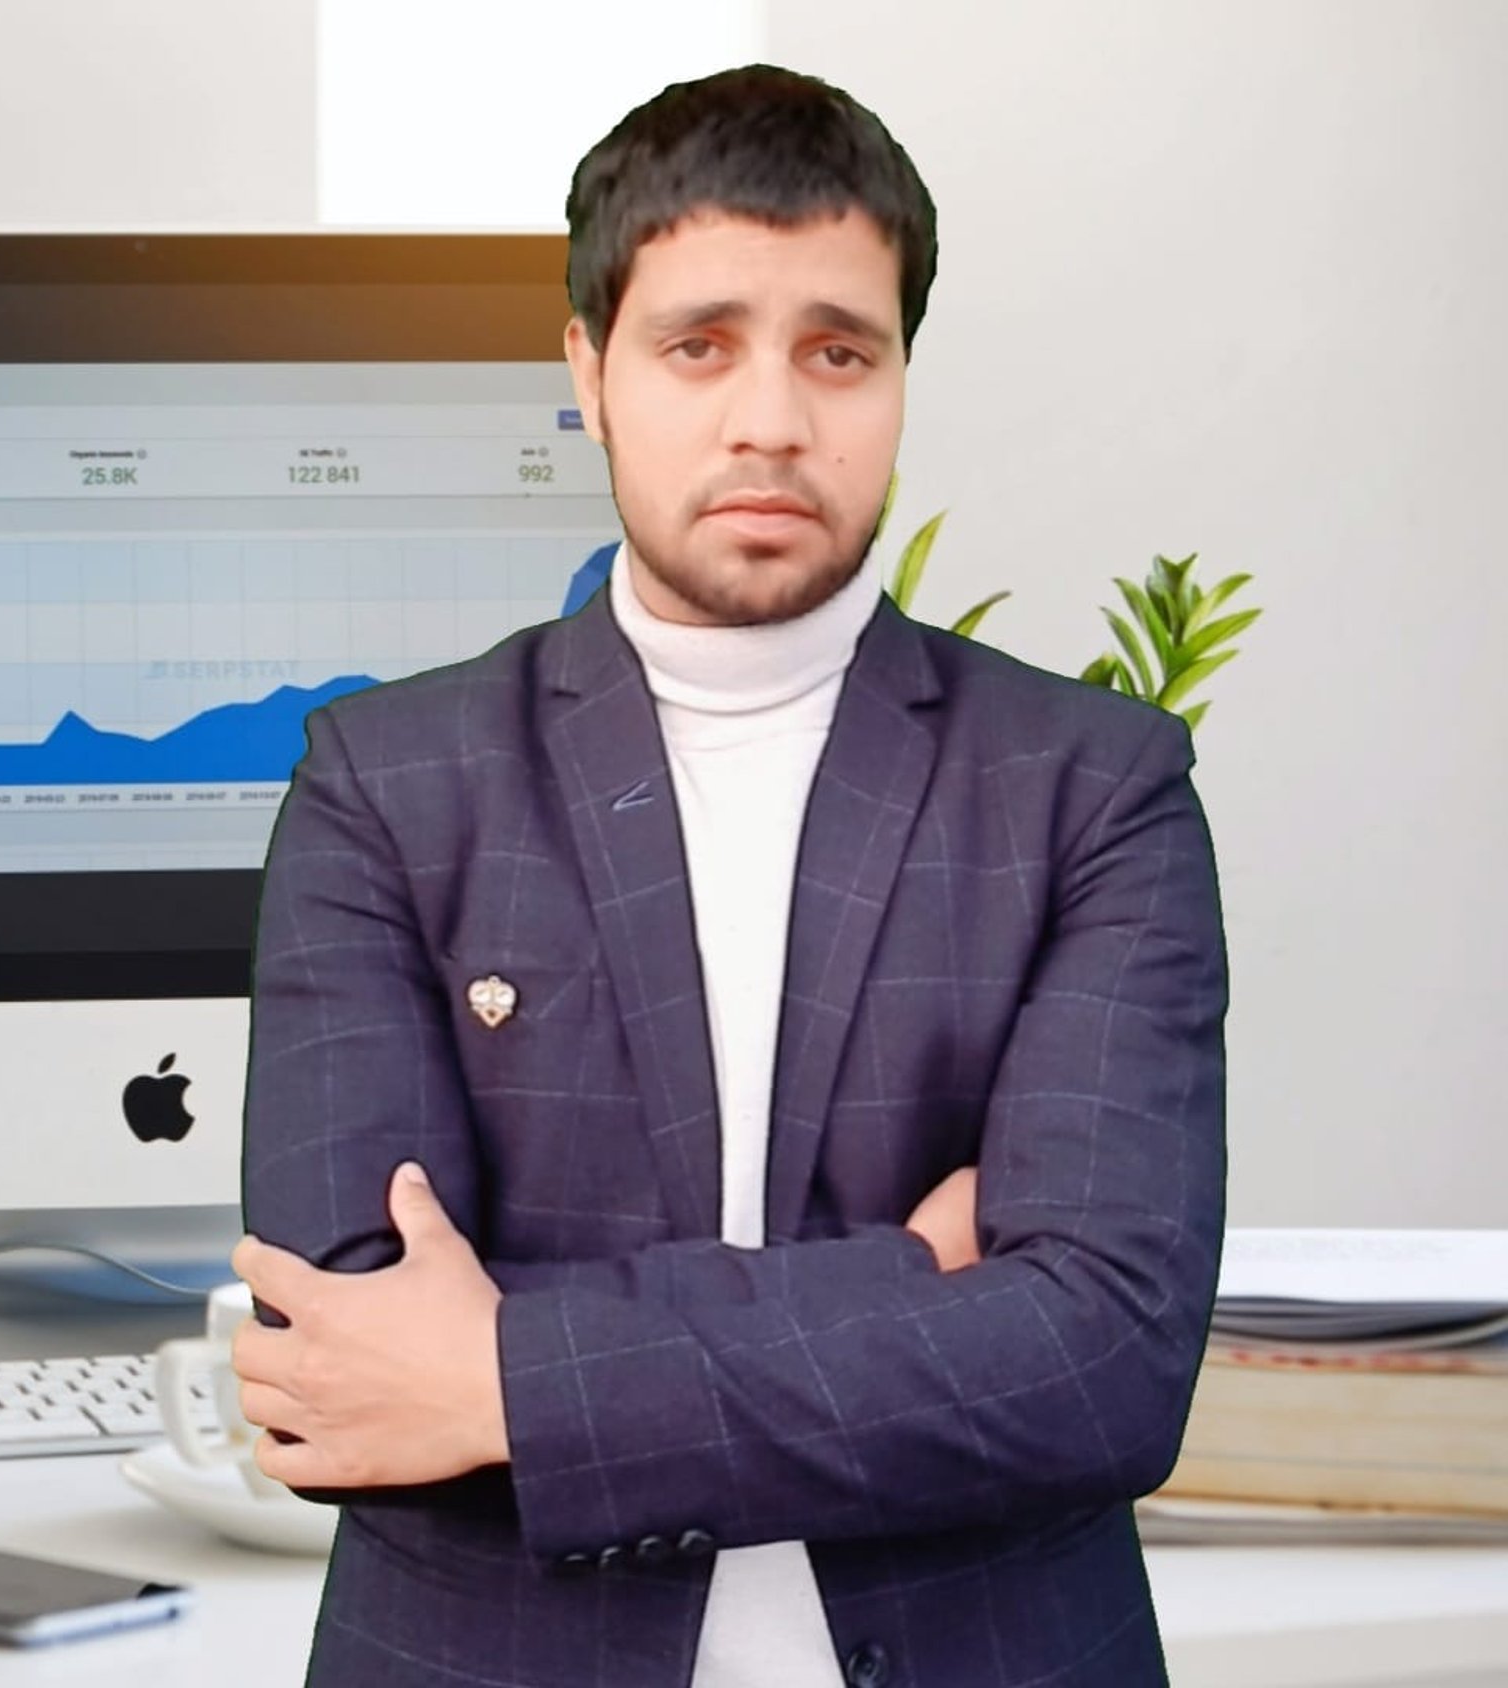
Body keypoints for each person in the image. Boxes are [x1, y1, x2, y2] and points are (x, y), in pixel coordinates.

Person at [231, 62, 1227, 1688]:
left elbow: (1104, 1357)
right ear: (590, 373)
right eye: (699, 345)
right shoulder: (388, 787)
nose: (771, 415)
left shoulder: (1090, 792)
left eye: (839, 350)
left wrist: (506, 1376)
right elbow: (348, 1344)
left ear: (901, 377)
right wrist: (916, 1285)